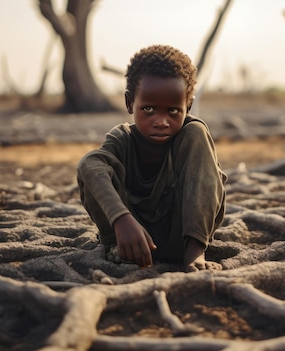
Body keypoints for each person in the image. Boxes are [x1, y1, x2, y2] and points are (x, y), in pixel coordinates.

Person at [77, 44, 226, 272]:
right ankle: (119, 249)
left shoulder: (191, 135)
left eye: (173, 111)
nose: (161, 121)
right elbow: (90, 165)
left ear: (188, 105)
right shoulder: (122, 139)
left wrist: (194, 249)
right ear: (129, 103)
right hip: (129, 240)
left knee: (198, 133)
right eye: (148, 109)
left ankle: (195, 253)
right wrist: (121, 220)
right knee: (94, 170)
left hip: (182, 238)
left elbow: (208, 186)